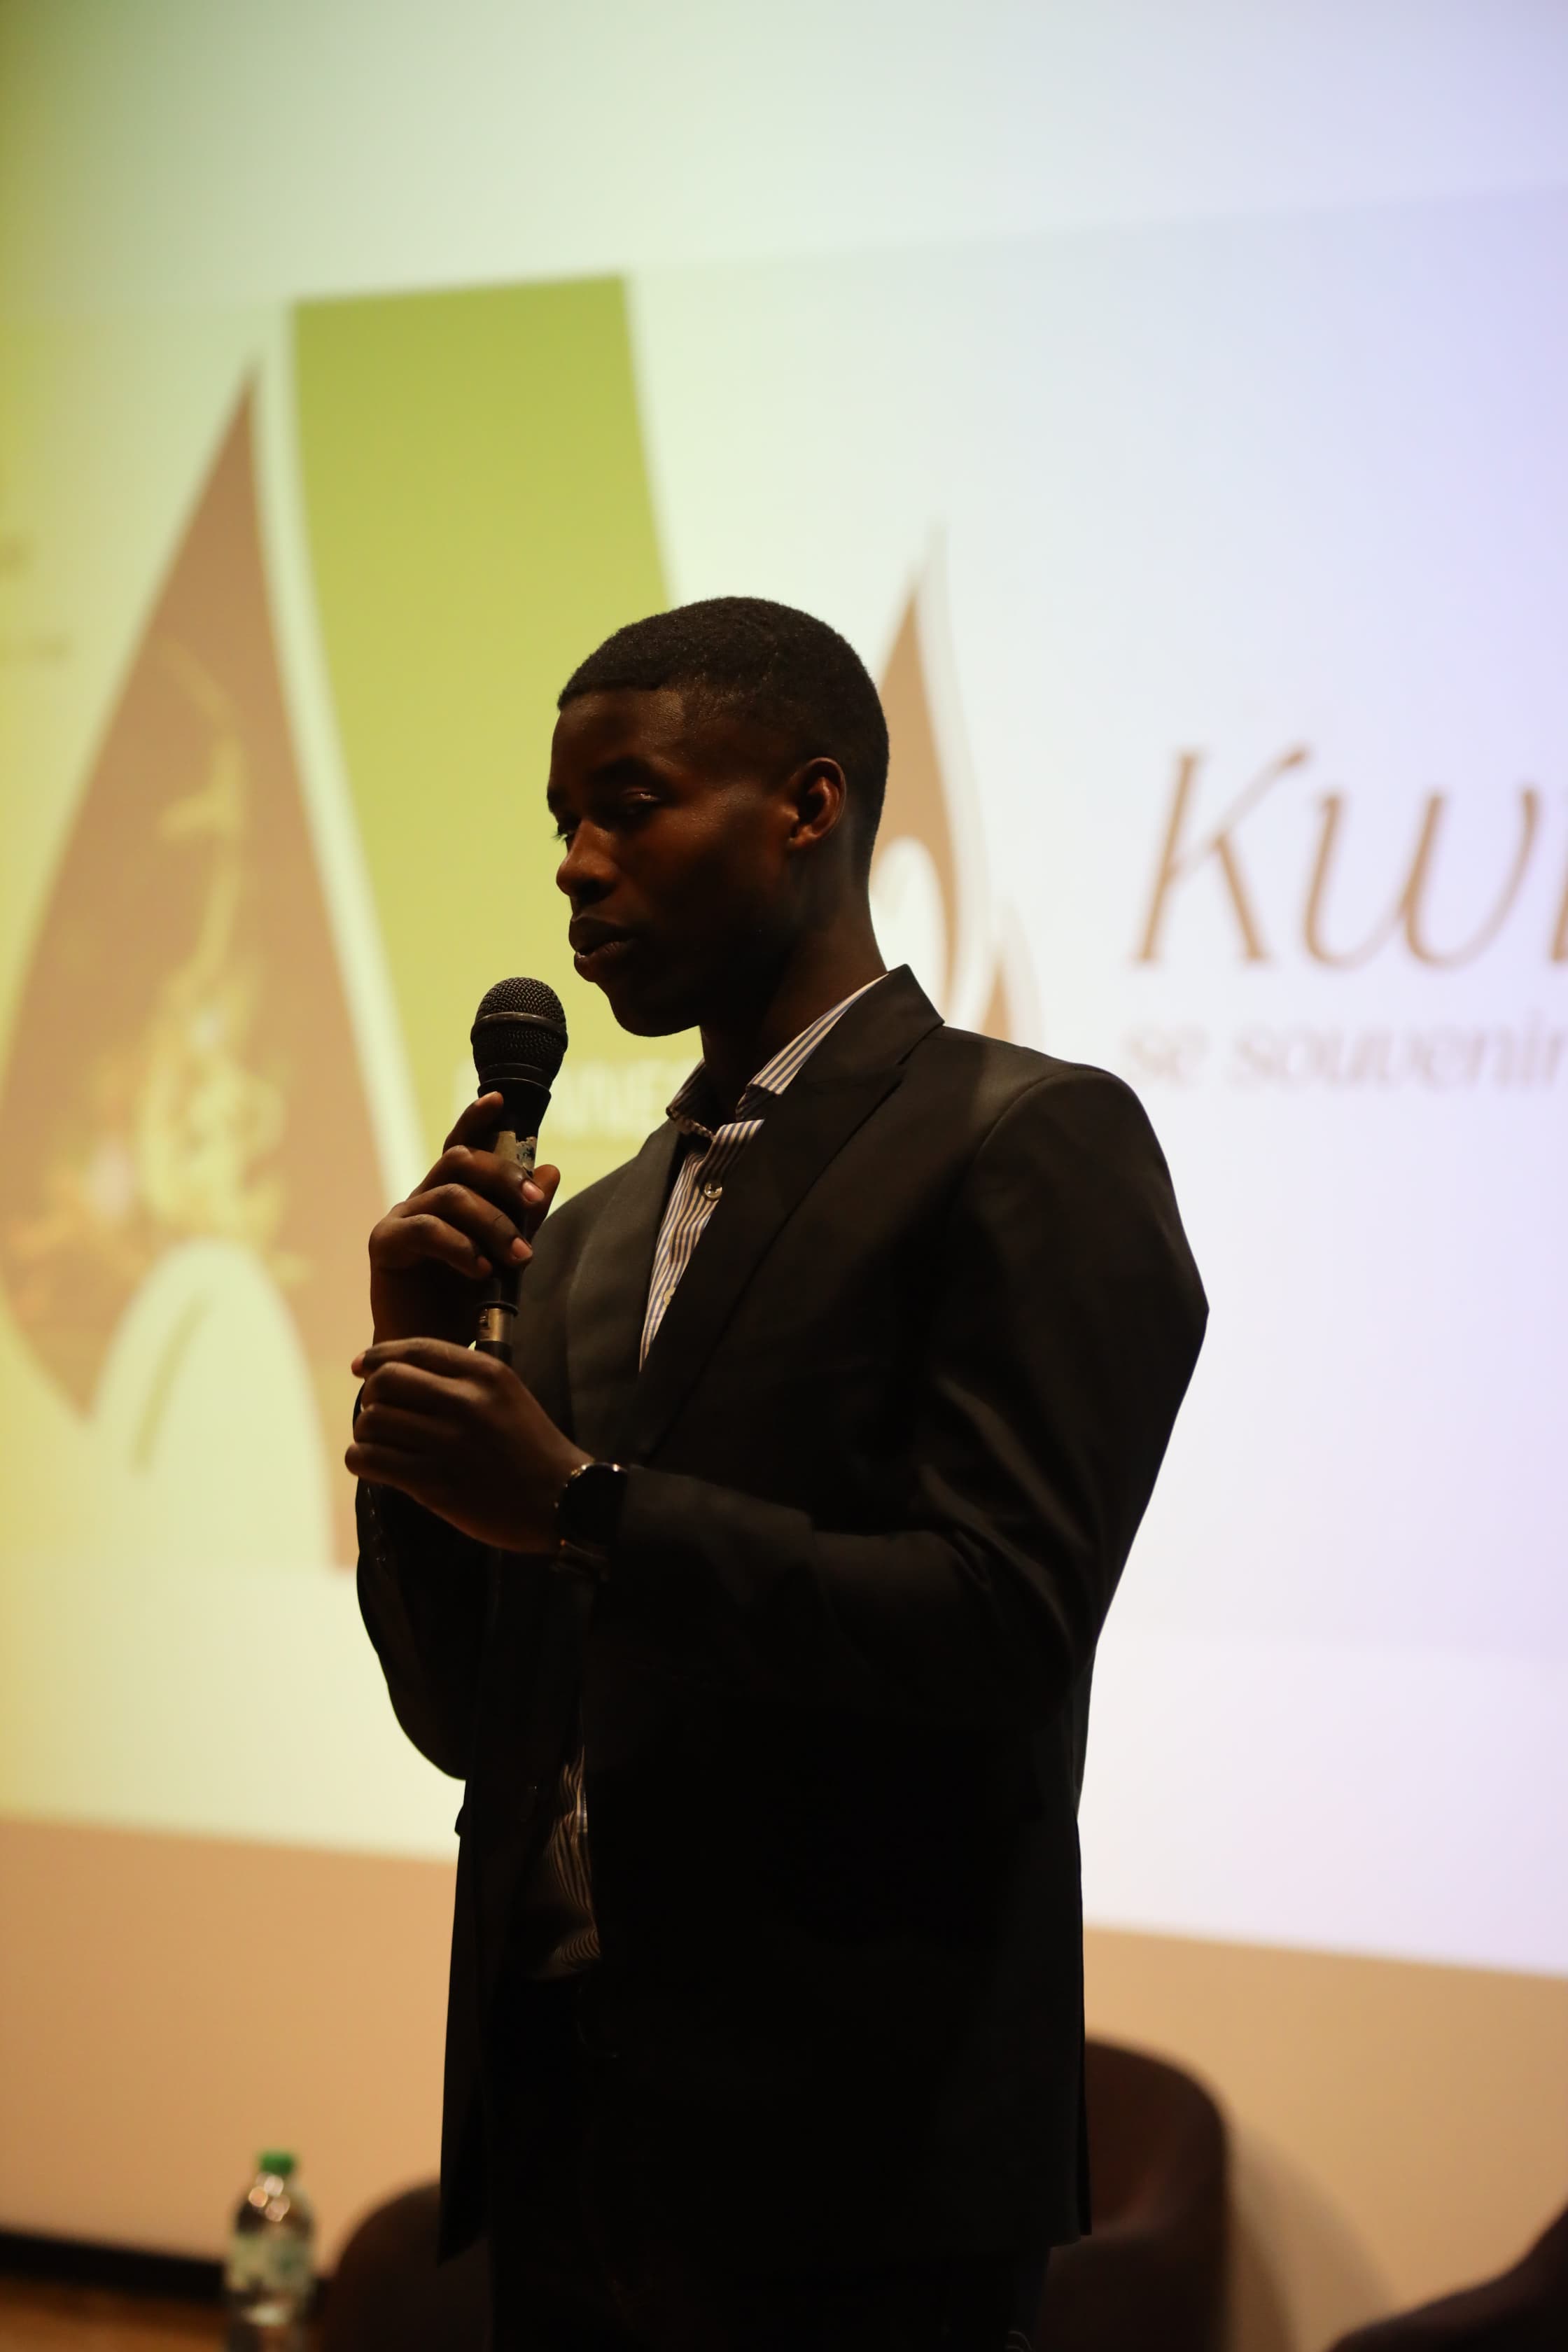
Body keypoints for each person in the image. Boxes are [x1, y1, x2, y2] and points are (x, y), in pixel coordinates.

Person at [349, 597, 1207, 2352]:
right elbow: (471, 1723)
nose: (576, 867)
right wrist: (417, 1392)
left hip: (859, 2162)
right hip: (566, 2129)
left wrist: (580, 1503)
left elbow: (1000, 1621)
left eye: (630, 806)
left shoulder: (1023, 1140)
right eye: (561, 825)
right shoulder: (587, 1240)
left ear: (808, 806)